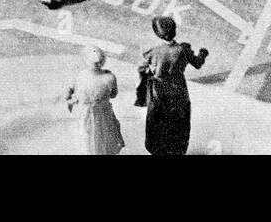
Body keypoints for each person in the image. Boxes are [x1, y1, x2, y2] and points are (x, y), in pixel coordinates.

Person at [138, 16, 208, 157]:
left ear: (158, 34)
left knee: (157, 122)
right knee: (179, 123)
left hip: (158, 91)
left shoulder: (152, 51)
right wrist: (202, 53)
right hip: (178, 91)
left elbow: (142, 69)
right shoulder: (182, 50)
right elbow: (198, 63)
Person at [66, 47, 124, 155]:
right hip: (104, 114)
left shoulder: (79, 75)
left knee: (87, 142)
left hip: (85, 114)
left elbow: (68, 94)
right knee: (104, 141)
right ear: (103, 61)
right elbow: (113, 94)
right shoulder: (109, 77)